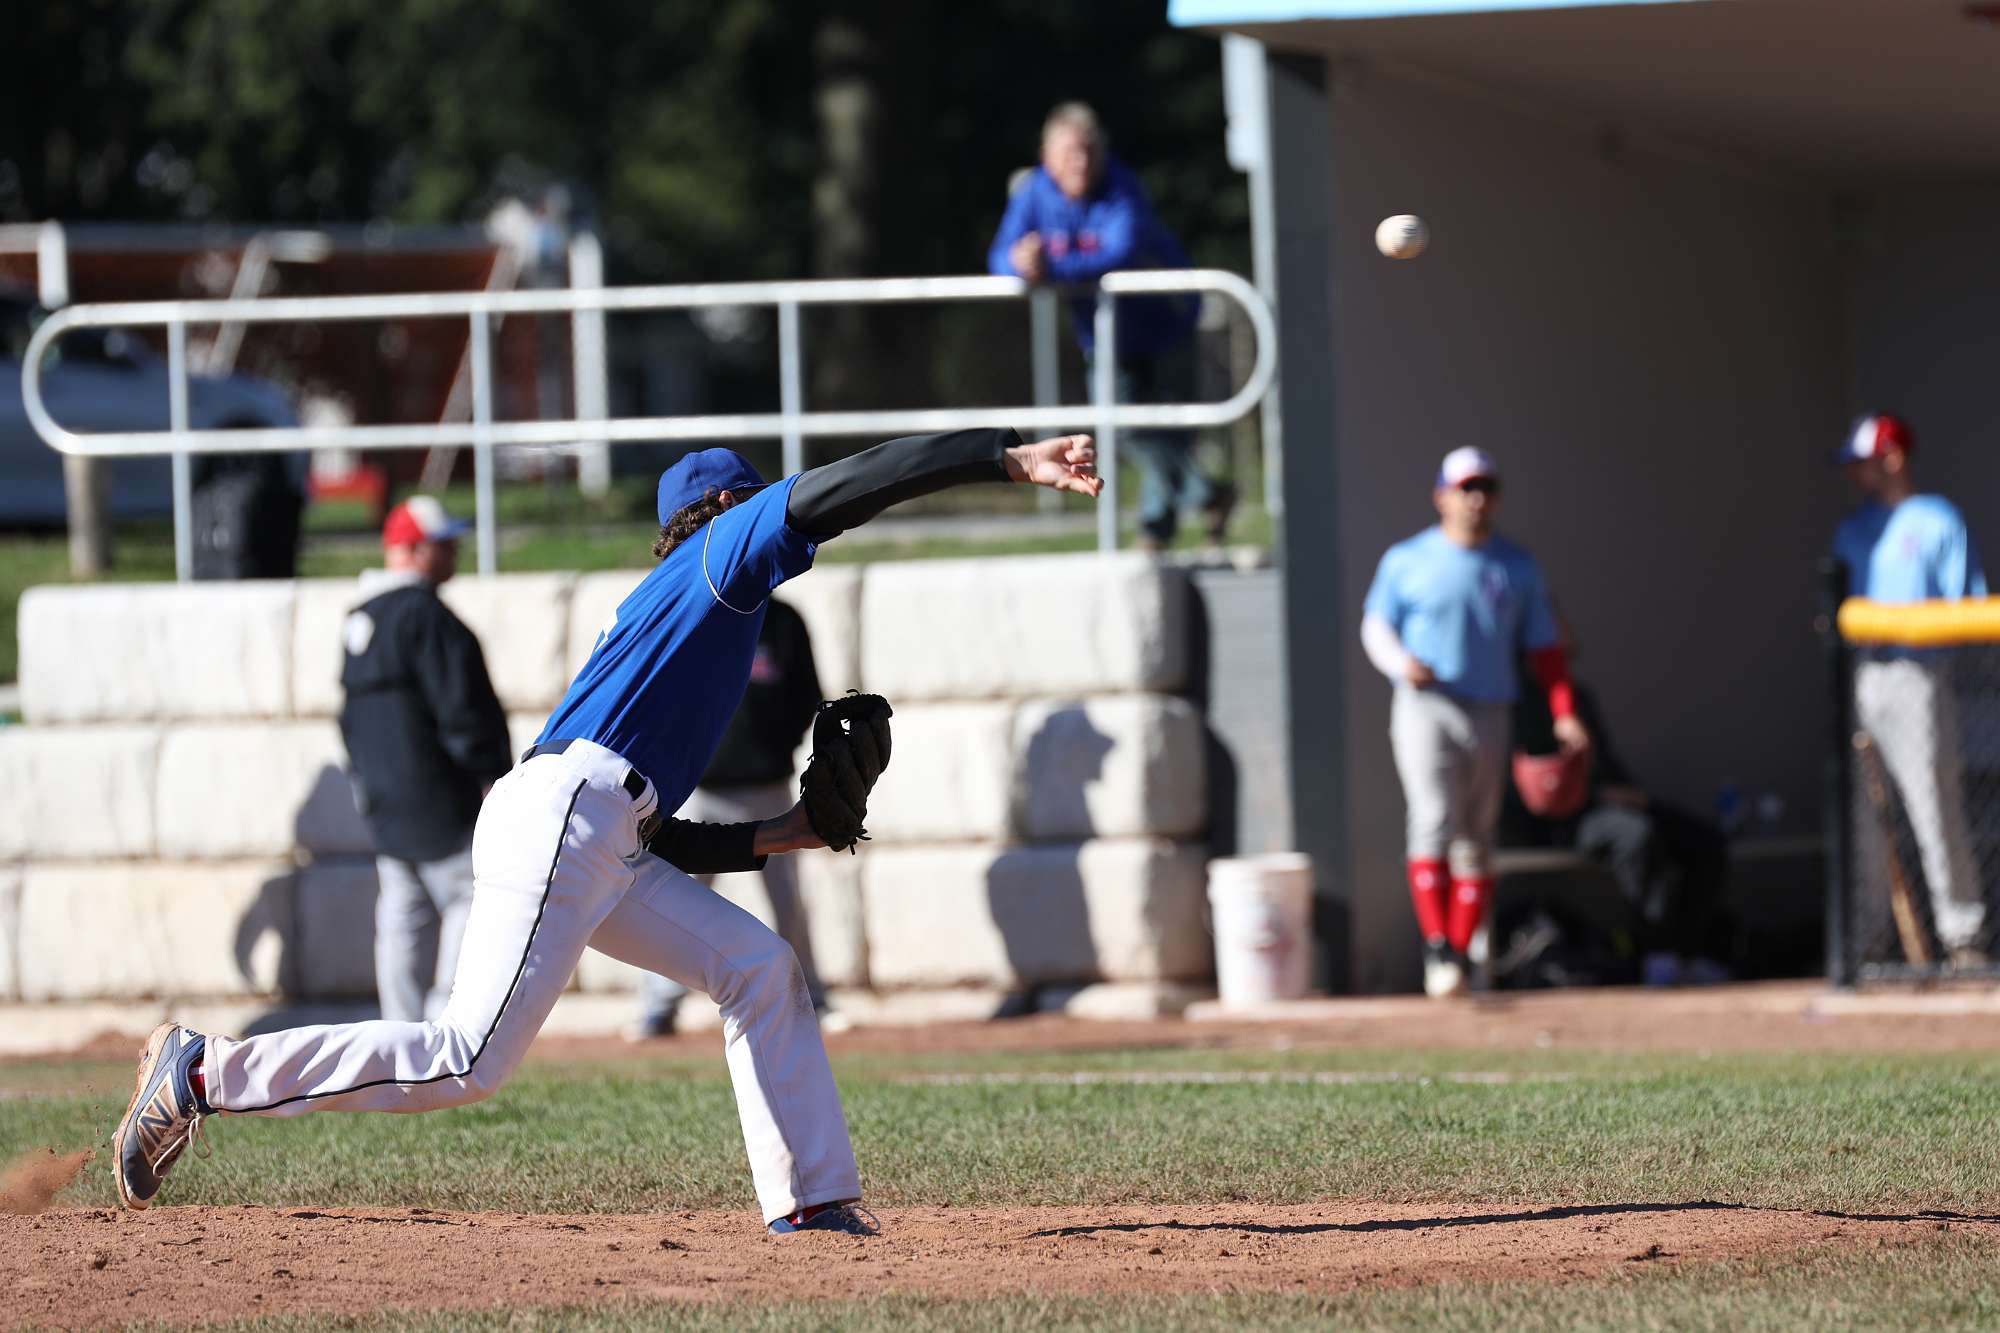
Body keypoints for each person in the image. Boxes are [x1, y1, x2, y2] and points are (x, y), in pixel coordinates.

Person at [112, 427, 1103, 1236]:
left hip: (596, 825)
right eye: (759, 503)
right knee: (464, 1058)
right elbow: (851, 483)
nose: (777, 523)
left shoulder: (688, 610)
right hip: (566, 817)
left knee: (759, 968)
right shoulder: (722, 559)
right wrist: (1003, 458)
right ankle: (202, 1073)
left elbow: (650, 831)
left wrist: (785, 830)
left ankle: (810, 1200)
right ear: (728, 508)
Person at [1359, 447, 1588, 999]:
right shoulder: (1409, 558)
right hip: (1427, 702)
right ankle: (1438, 945)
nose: (1476, 499)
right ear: (1442, 496)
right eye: (1466, 488)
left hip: (1490, 706)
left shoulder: (1516, 566)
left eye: (1485, 488)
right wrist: (1400, 664)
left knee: (1478, 834)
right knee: (1433, 817)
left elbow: (1545, 647)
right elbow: (1376, 626)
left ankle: (1460, 954)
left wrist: (1563, 711)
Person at [987, 101, 1231, 552]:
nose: (1080, 162)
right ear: (1046, 155)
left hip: (1167, 321)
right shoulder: (1034, 193)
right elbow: (1000, 255)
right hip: (1104, 333)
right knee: (1125, 429)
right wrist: (1021, 264)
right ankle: (1209, 495)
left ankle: (1156, 533)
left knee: (1164, 429)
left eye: (1087, 151)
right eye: (1069, 152)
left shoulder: (1121, 186)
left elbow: (1120, 251)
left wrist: (1050, 268)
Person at [339, 496, 513, 1024]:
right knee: (469, 901)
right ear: (413, 550)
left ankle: (399, 1030)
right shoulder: (426, 616)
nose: (455, 552)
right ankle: (443, 1025)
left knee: (401, 916)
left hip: (384, 802)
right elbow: (463, 709)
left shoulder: (359, 620)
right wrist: (492, 776)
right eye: (444, 544)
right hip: (442, 800)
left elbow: (351, 720)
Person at [1832, 412, 1988, 965]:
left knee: (1933, 807)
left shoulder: (1938, 519)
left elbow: (1966, 605)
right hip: (1860, 678)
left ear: (1893, 457)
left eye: (1864, 461)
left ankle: (1962, 936)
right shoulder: (1852, 530)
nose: (1856, 473)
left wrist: (1902, 627)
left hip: (1919, 677)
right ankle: (1869, 943)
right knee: (1864, 822)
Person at [630, 599, 825, 1038]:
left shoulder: (783, 620)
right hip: (700, 789)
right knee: (671, 901)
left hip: (768, 786)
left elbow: (806, 695)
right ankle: (659, 1005)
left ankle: (813, 996)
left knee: (789, 901)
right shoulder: (699, 611)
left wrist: (779, 746)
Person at [1502, 664, 1734, 987]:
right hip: (1565, 818)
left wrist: (1629, 793)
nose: (1564, 642)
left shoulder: (1579, 696)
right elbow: (1533, 788)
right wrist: (1595, 794)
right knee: (1637, 835)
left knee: (1705, 841)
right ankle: (1656, 954)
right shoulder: (1518, 702)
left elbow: (1607, 761)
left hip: (1611, 802)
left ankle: (1688, 952)